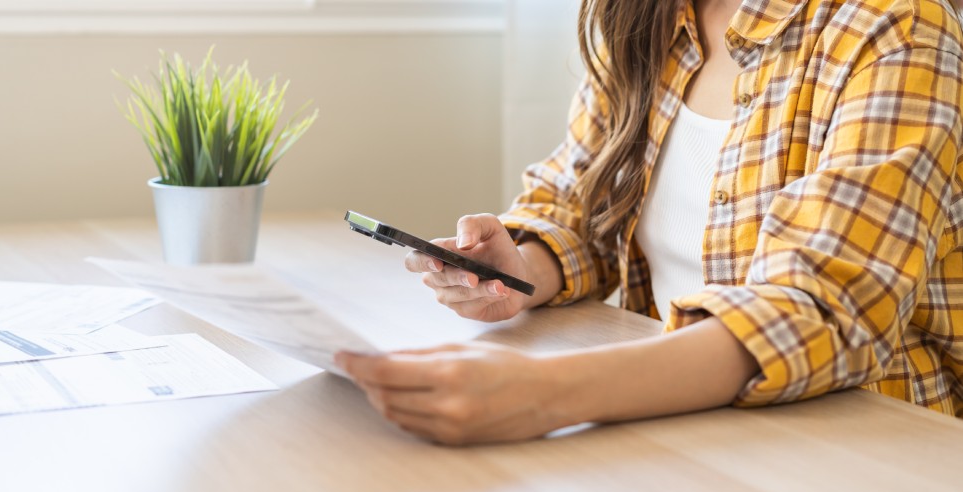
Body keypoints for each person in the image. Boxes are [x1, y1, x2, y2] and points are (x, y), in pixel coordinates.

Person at [336, 0, 963, 445]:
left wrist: (540, 393)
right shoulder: (646, 16)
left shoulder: (897, 27)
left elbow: (818, 308)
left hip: (871, 438)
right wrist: (521, 267)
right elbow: (577, 204)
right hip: (690, 415)